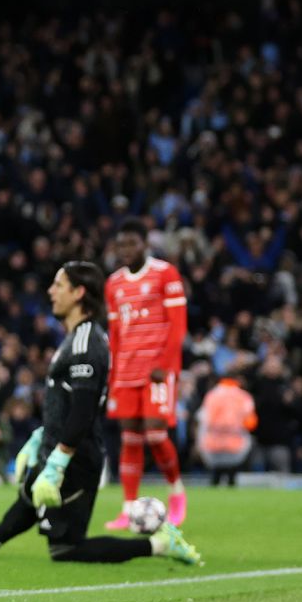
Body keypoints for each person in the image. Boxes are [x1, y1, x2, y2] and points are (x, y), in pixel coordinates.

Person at [0, 262, 201, 566]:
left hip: (77, 457)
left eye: (58, 285)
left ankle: (159, 544)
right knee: (31, 494)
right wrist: (40, 437)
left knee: (65, 549)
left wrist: (57, 462)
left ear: (79, 293)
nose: (50, 291)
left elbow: (83, 409)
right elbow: (67, 402)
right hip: (61, 444)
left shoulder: (86, 343)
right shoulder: (75, 339)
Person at [103, 218, 189, 529]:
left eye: (131, 244)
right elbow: (114, 333)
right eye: (121, 245)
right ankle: (128, 509)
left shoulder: (165, 274)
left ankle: (177, 493)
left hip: (156, 369)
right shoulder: (113, 283)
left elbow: (178, 325)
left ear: (145, 244)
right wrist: (113, 376)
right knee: (130, 438)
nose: (125, 250)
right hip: (126, 369)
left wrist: (165, 364)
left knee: (155, 433)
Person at [196, 374, 257, 486]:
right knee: (232, 476)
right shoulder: (243, 397)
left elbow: (203, 419)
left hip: (213, 443)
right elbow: (251, 423)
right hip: (235, 443)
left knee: (215, 476)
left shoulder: (212, 395)